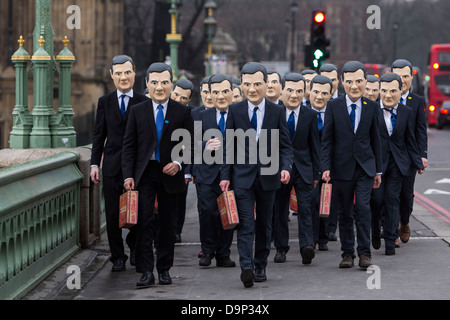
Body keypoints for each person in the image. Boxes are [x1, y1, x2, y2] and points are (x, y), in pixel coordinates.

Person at [220, 62, 293, 288]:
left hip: (269, 177)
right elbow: (228, 146)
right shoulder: (235, 110)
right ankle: (247, 266)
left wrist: (285, 167)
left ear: (266, 85)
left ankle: (260, 264)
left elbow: (285, 146)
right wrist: (225, 175)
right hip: (242, 177)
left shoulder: (277, 111)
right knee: (245, 224)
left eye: (257, 84)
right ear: (241, 85)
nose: (252, 89)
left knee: (264, 224)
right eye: (248, 84)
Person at [122, 62, 194, 288]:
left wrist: (178, 163)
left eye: (164, 82)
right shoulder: (137, 111)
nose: (159, 87)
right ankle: (145, 271)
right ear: (147, 84)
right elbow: (129, 147)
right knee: (143, 222)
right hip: (144, 173)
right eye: (154, 82)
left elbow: (189, 145)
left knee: (167, 224)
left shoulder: (182, 112)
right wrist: (128, 176)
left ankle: (164, 269)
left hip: (170, 172)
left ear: (171, 84)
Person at [321, 61, 382, 269]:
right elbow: (327, 140)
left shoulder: (372, 107)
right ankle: (347, 254)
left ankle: (365, 253)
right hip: (341, 168)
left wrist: (378, 170)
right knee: (345, 212)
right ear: (341, 82)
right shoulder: (333, 105)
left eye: (358, 81)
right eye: (349, 81)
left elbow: (376, 140)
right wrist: (325, 167)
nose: (354, 86)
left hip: (365, 167)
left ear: (365, 81)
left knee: (363, 208)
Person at [90, 55, 148, 272]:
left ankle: (135, 245)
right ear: (112, 75)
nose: (123, 77)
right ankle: (117, 256)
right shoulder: (105, 102)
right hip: (113, 166)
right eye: (119, 73)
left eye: (127, 72)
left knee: (141, 212)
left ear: (134, 73)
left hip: (138, 167)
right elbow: (98, 136)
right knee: (113, 214)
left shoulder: (144, 102)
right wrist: (95, 164)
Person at [371, 73, 424, 255]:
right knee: (377, 201)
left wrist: (418, 162)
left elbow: (410, 140)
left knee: (392, 200)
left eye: (392, 91)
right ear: (379, 91)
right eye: (384, 90)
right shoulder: (371, 110)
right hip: (377, 164)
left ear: (400, 91)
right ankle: (375, 231)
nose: (387, 95)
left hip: (398, 164)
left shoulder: (406, 112)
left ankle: (390, 240)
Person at [273, 73, 320, 265]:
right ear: (282, 91)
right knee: (280, 210)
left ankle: (306, 246)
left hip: (304, 169)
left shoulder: (310, 115)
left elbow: (314, 145)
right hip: (279, 169)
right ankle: (281, 248)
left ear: (305, 92)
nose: (294, 95)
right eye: (290, 90)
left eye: (299, 91)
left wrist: (317, 172)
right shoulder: (273, 112)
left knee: (305, 209)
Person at [195, 73, 236, 268]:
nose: (220, 96)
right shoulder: (201, 116)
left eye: (225, 92)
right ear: (210, 94)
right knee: (208, 213)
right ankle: (207, 250)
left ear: (232, 92)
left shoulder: (239, 115)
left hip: (232, 175)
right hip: (207, 175)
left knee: (227, 213)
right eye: (216, 92)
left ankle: (223, 254)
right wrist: (204, 144)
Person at [391, 59, 428, 244]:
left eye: (406, 76)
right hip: (389, 154)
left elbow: (421, 129)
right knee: (390, 193)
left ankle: (404, 222)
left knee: (406, 194)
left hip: (409, 155)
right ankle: (392, 231)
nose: (402, 80)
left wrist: (423, 155)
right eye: (398, 76)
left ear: (411, 78)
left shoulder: (417, 101)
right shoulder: (386, 97)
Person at [308, 75, 333, 251]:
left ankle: (324, 235)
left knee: (328, 200)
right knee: (312, 201)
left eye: (324, 93)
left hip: (330, 164)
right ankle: (313, 237)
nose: (319, 96)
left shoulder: (334, 112)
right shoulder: (304, 112)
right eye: (316, 92)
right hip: (309, 164)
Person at [170, 78, 195, 243]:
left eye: (183, 98)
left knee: (179, 200)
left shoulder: (192, 114)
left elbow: (192, 143)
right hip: (163, 162)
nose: (179, 100)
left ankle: (176, 231)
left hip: (182, 163)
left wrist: (187, 171)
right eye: (176, 95)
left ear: (189, 100)